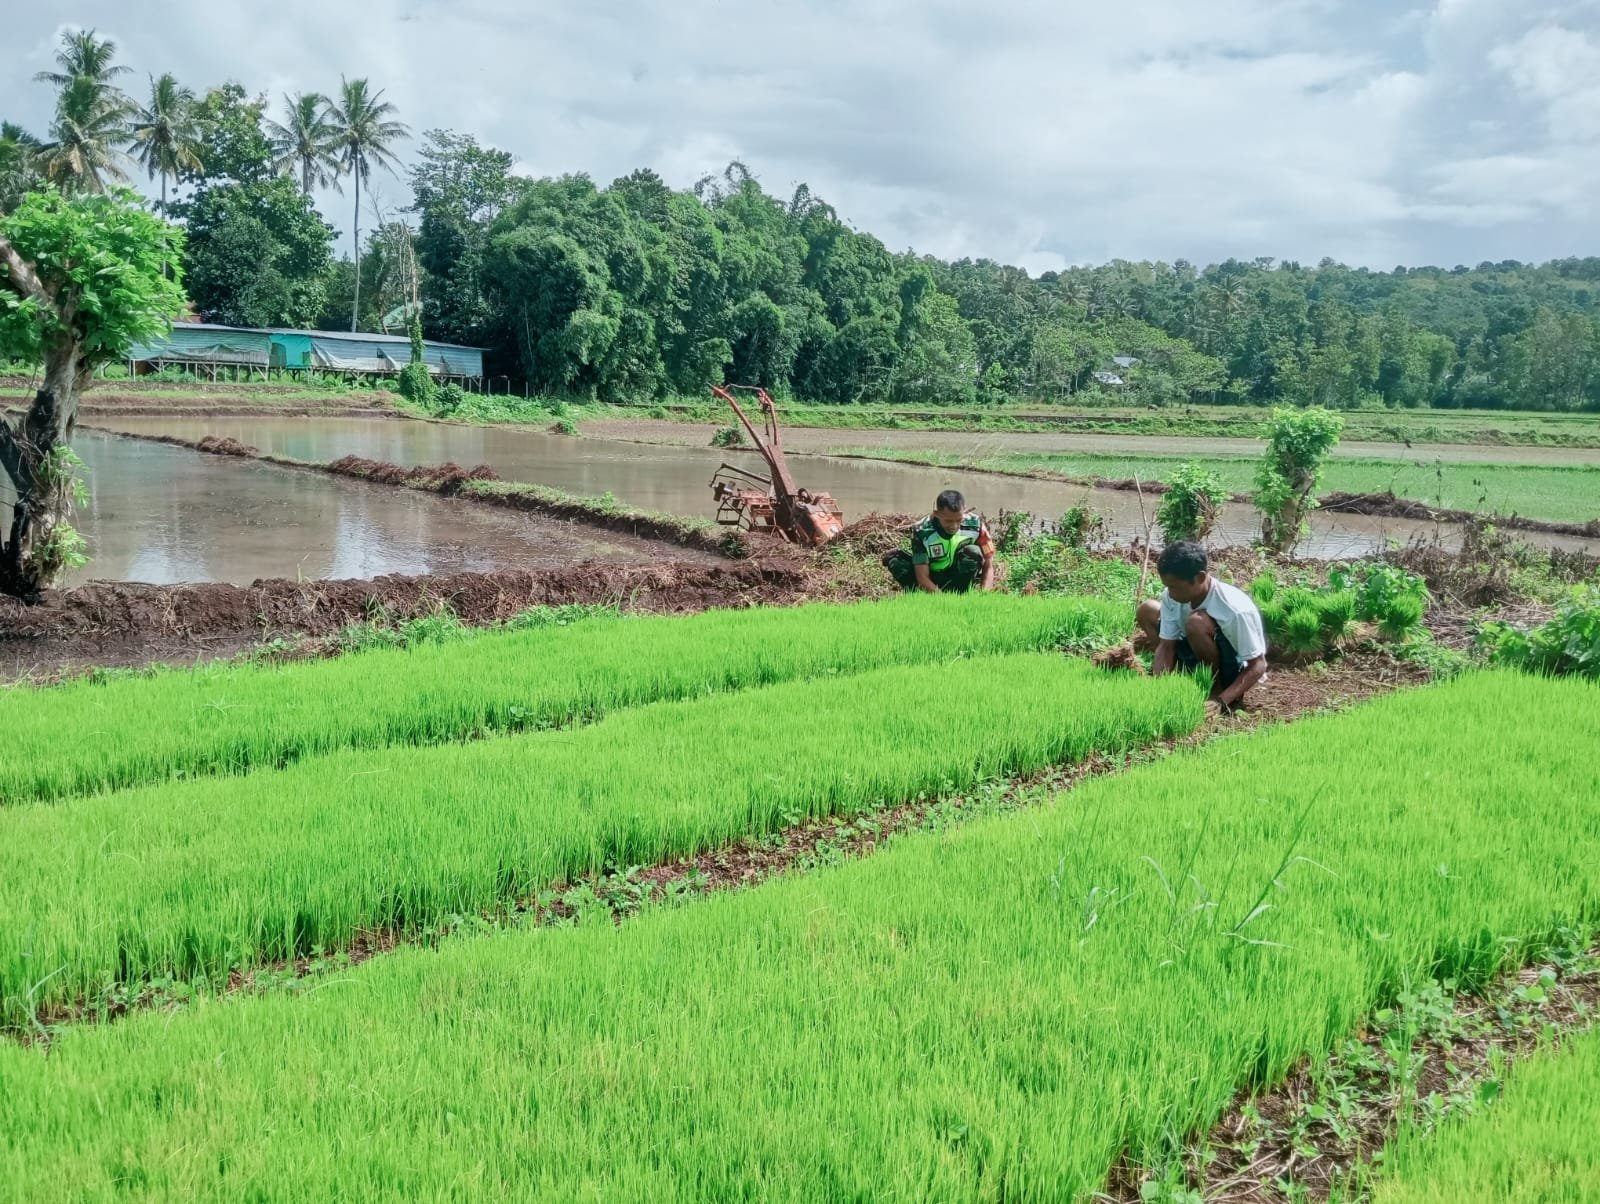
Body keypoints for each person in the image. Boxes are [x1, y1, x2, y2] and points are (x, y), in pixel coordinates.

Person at [1136, 540, 1268, 715]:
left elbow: (1258, 665)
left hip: (1231, 667)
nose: (1170, 593)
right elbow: (1166, 645)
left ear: (1200, 578)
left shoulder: (1234, 609)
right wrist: (1159, 686)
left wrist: (1222, 700)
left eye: (1174, 587)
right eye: (1167, 586)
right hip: (1195, 651)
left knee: (1196, 622)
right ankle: (1179, 675)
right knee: (1147, 610)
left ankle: (1214, 689)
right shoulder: (1171, 596)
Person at [884, 489, 996, 594]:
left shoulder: (976, 525)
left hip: (958, 576)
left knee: (973, 551)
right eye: (948, 521)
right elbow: (922, 576)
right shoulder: (922, 531)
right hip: (931, 576)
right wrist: (942, 599)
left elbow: (988, 563)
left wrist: (984, 594)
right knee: (895, 559)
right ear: (936, 513)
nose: (954, 526)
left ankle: (960, 594)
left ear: (964, 510)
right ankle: (922, 598)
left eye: (958, 520)